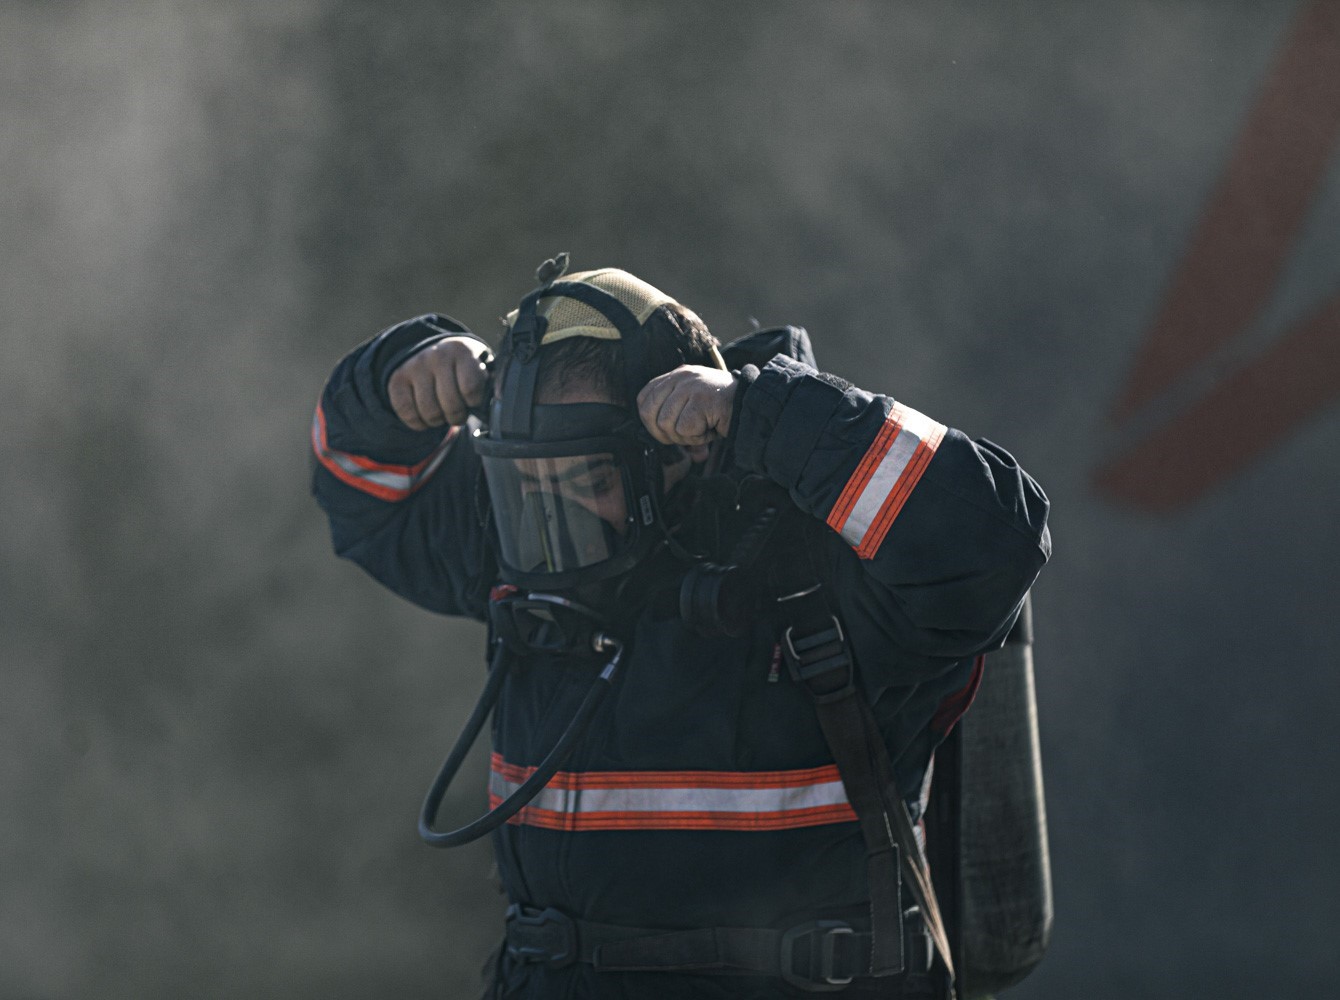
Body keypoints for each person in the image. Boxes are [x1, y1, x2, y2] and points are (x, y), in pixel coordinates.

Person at [310, 261, 1050, 999]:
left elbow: (996, 539)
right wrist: (394, 378)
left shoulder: (825, 559)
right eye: (524, 488)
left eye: (590, 483)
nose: (550, 522)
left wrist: (760, 415)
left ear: (683, 448)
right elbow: (359, 484)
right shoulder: (520, 546)